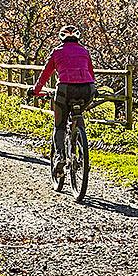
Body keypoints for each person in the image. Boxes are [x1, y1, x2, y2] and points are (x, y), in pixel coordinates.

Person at [31, 26, 95, 192]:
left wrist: (36, 90)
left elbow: (46, 73)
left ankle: (60, 157)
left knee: (59, 126)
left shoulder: (56, 52)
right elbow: (91, 74)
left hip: (65, 89)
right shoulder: (85, 51)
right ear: (78, 38)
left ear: (61, 38)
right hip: (87, 89)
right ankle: (78, 133)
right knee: (78, 112)